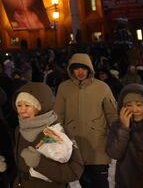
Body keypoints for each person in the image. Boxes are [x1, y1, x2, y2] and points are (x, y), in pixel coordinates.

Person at [54, 53, 118, 188]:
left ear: (89, 69)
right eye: (77, 69)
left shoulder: (102, 87)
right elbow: (58, 115)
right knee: (85, 183)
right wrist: (57, 138)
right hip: (75, 145)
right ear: (71, 70)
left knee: (100, 183)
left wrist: (118, 135)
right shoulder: (64, 88)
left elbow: (112, 115)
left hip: (98, 145)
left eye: (84, 68)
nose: (80, 72)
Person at [13, 82, 83, 187]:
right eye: (19, 105)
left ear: (41, 106)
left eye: (27, 105)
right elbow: (21, 164)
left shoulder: (57, 130)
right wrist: (4, 165)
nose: (22, 110)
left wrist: (39, 163)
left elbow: (74, 171)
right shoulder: (19, 130)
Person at [106, 83, 143, 188]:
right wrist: (124, 128)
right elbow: (114, 154)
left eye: (139, 105)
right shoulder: (117, 125)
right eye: (129, 105)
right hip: (125, 182)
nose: (134, 109)